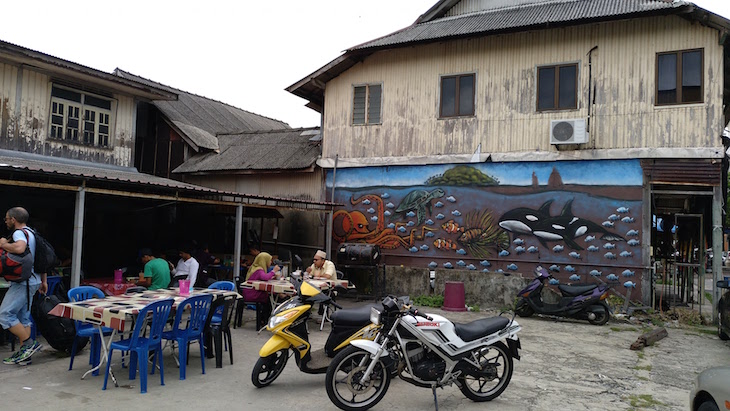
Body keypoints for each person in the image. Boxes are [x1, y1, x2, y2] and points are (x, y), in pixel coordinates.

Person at [0, 207, 46, 365]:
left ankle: (29, 344)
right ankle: (25, 357)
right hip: (33, 280)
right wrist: (44, 280)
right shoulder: (32, 233)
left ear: (14, 219)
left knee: (5, 315)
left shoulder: (19, 233)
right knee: (23, 318)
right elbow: (41, 259)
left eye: (7, 218)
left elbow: (19, 248)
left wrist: (4, 244)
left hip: (22, 282)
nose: (5, 221)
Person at [242, 252, 281, 329]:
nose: (270, 262)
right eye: (269, 260)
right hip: (253, 294)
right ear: (264, 260)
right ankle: (265, 320)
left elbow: (263, 278)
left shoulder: (255, 268)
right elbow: (265, 277)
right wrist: (274, 271)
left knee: (271, 296)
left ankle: (263, 319)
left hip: (250, 292)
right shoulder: (259, 270)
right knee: (270, 299)